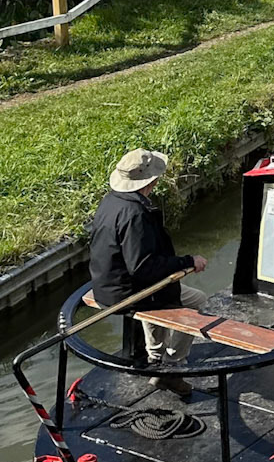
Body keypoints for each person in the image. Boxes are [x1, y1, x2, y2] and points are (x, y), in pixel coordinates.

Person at [89, 149, 207, 390]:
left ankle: (154, 355)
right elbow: (143, 268)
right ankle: (172, 367)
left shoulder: (111, 201)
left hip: (106, 286)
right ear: (151, 181)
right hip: (127, 294)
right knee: (196, 301)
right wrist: (188, 261)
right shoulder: (136, 214)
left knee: (161, 294)